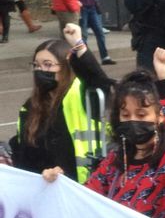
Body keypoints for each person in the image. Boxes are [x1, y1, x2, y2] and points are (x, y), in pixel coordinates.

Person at [43, 48, 165, 218]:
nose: (133, 120)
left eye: (142, 115)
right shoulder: (115, 160)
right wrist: (59, 183)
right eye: (125, 114)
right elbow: (87, 197)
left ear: (160, 116)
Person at [8, 25, 113, 183]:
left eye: (48, 64)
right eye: (36, 65)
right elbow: (23, 149)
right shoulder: (30, 106)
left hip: (79, 186)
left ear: (65, 67)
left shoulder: (80, 95)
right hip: (41, 190)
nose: (40, 70)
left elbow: (98, 81)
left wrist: (78, 45)